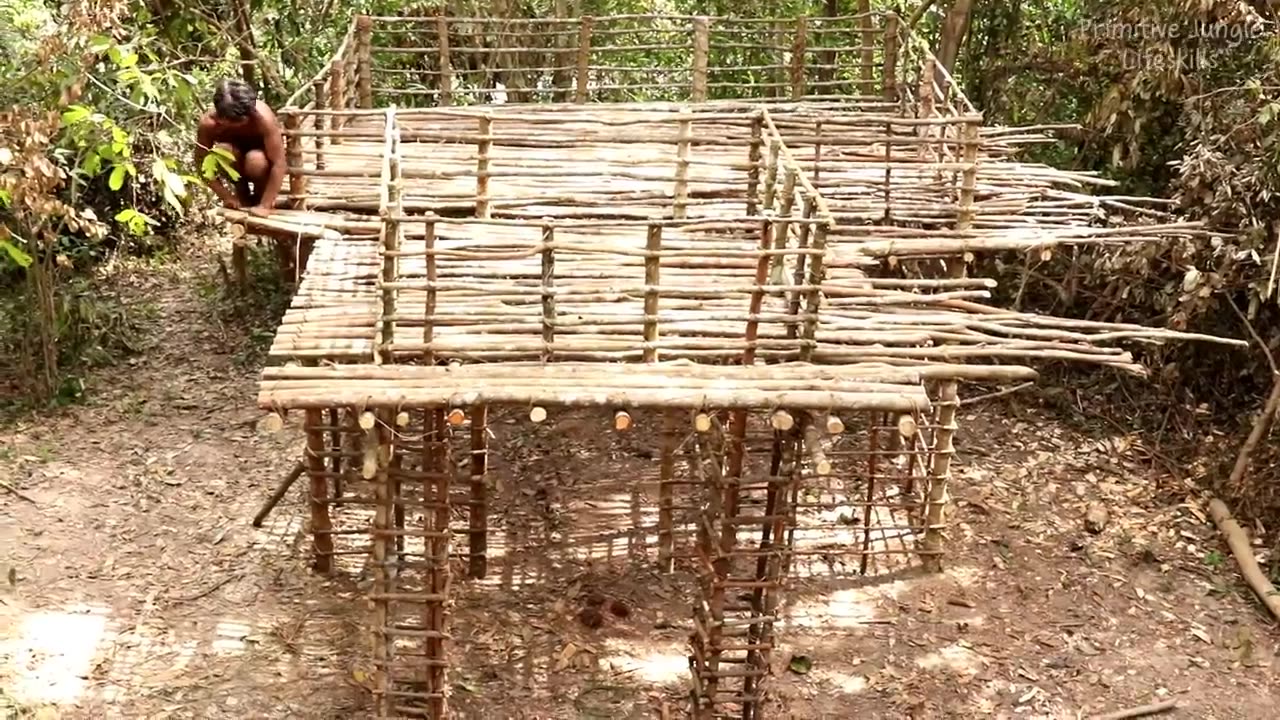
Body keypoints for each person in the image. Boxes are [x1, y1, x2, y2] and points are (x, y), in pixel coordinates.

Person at [194, 79, 286, 218]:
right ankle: (242, 192)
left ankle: (260, 193)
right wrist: (225, 196)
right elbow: (201, 163)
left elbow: (279, 163)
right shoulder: (209, 124)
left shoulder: (262, 118)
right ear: (223, 118)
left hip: (261, 163)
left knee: (255, 160)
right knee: (223, 150)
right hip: (236, 164)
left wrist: (265, 205)